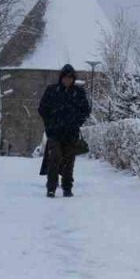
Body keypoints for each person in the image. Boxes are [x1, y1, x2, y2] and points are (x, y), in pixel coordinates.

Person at [38, 64, 91, 198]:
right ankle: (51, 188)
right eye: (65, 78)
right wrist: (49, 125)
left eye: (70, 78)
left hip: (71, 133)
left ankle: (67, 187)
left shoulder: (78, 93)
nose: (67, 80)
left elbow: (85, 110)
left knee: (68, 161)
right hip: (54, 133)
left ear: (73, 79)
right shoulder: (52, 90)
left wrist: (77, 122)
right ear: (61, 78)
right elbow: (43, 109)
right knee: (54, 159)